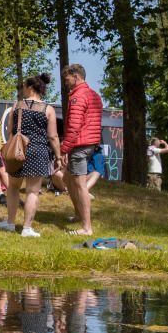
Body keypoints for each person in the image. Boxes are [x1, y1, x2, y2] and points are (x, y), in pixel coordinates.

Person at [0, 72, 61, 237]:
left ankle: (10, 223)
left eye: (24, 87)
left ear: (30, 87)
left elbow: (10, 131)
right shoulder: (48, 109)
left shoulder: (17, 106)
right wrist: (59, 157)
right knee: (32, 191)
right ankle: (26, 228)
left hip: (19, 151)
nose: (22, 90)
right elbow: (53, 136)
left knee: (13, 187)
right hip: (38, 152)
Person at [59, 64, 103, 236]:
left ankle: (86, 228)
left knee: (80, 185)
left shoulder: (78, 97)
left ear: (76, 76)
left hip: (79, 145)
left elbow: (74, 127)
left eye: (67, 79)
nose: (65, 82)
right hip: (90, 144)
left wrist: (64, 149)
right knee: (67, 178)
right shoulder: (94, 95)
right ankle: (79, 215)